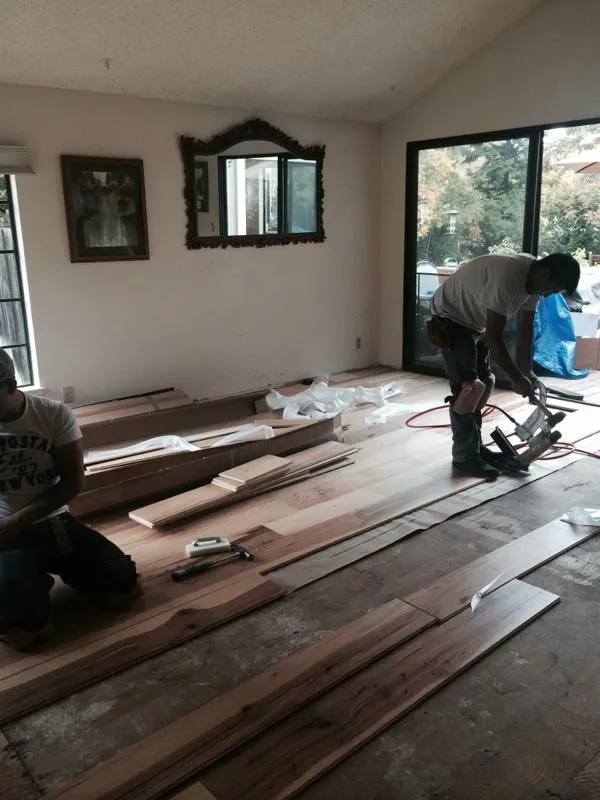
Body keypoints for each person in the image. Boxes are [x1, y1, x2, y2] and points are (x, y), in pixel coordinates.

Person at [0, 350, 140, 650]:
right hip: (4, 534)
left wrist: (20, 519)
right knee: (27, 633)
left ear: (11, 387)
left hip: (53, 522)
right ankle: (26, 586)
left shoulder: (51, 415)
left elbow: (73, 481)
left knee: (123, 589)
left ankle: (54, 576)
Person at [427, 252, 580, 479]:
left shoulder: (534, 284)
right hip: (450, 316)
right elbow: (495, 336)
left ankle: (475, 448)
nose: (549, 295)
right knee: (469, 388)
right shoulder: (508, 276)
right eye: (553, 289)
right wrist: (517, 378)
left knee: (487, 382)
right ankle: (464, 457)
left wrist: (526, 372)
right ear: (546, 275)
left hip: (474, 321)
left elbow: (525, 331)